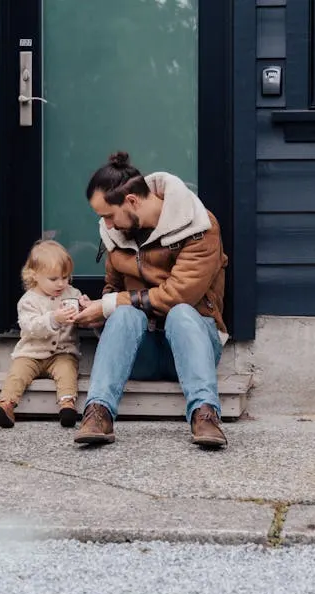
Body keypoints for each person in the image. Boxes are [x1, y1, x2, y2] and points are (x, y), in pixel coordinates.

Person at [67, 151, 230, 449]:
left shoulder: (199, 226)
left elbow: (178, 295)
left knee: (180, 311)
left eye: (108, 215)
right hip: (141, 353)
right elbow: (112, 290)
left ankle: (205, 414)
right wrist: (97, 309)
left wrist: (111, 304)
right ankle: (98, 412)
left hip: (193, 347)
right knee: (125, 315)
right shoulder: (116, 234)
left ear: (131, 201)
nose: (109, 225)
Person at [0, 239, 90, 429]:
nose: (61, 283)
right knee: (18, 373)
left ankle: (67, 405)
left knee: (67, 371)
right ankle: (6, 404)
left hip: (62, 353)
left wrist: (84, 308)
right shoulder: (29, 301)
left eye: (65, 277)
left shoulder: (72, 293)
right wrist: (54, 319)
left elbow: (83, 318)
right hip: (31, 353)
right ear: (35, 276)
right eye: (54, 279)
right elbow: (30, 326)